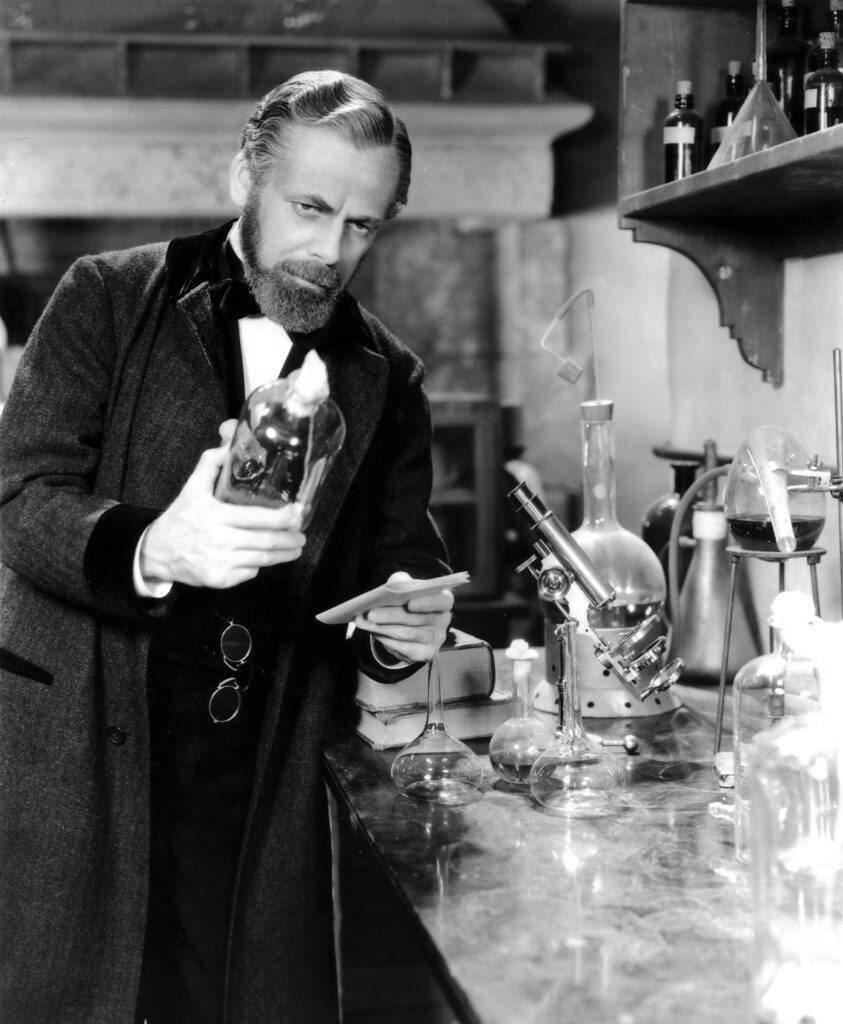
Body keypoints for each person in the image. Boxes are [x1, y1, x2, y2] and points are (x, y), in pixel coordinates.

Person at [0, 70, 455, 1024]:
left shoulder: (389, 377)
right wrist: (152, 546)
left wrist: (404, 625)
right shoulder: (104, 298)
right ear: (241, 180)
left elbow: (393, 566)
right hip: (80, 759)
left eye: (363, 226)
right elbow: (18, 495)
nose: (331, 251)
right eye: (310, 207)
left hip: (261, 786)